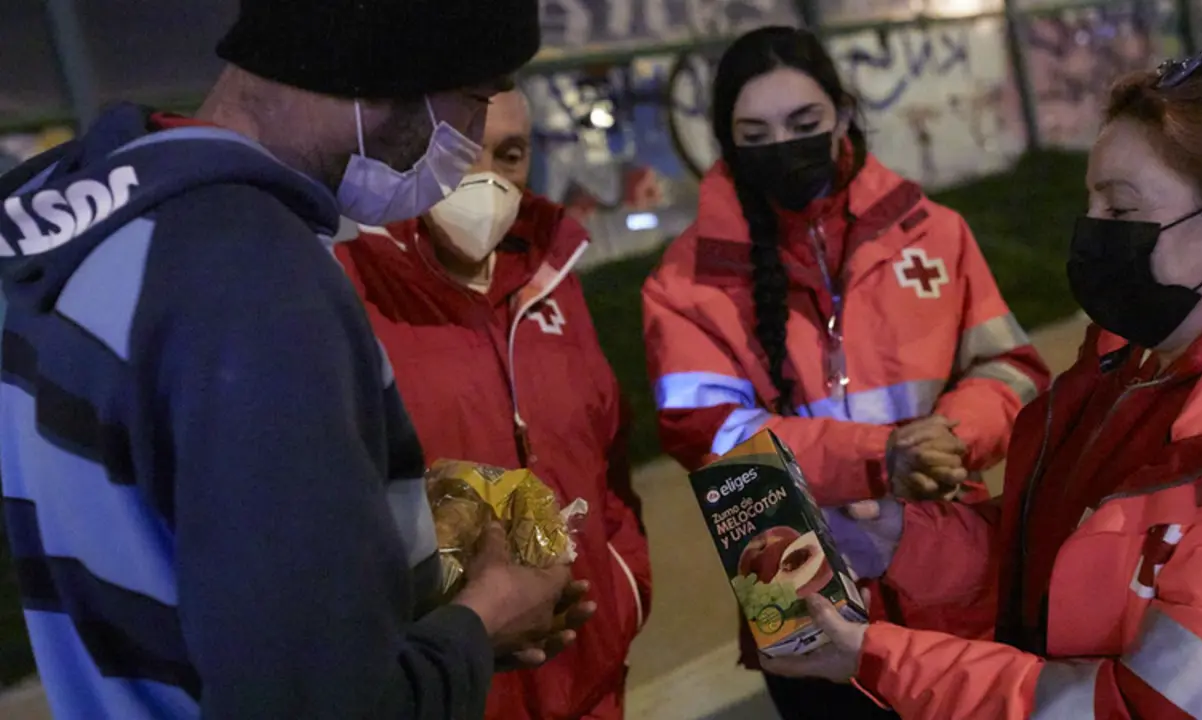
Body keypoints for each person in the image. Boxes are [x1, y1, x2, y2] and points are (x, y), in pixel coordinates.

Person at [0, 1, 591, 718]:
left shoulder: (80, 214)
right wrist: (484, 620)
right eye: (473, 99)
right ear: (380, 75)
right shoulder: (255, 283)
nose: (466, 145)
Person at [761, 52, 1202, 718]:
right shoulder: (1130, 364)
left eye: (1120, 207)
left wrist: (877, 658)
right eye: (1090, 200)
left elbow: (1130, 708)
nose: (1090, 231)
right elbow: (1056, 559)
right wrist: (906, 539)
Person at [641, 25, 1050, 720]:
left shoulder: (933, 231)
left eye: (804, 123)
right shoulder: (685, 284)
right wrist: (878, 459)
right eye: (756, 132)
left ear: (845, 114)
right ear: (727, 140)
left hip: (950, 573)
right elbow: (711, 436)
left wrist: (949, 438)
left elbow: (1010, 368)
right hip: (798, 602)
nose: (785, 146)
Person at [336, 88, 652, 720]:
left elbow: (608, 459)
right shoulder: (351, 288)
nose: (484, 178)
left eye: (510, 154)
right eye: (459, 149)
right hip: (456, 693)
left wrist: (624, 586)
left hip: (589, 684)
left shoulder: (551, 276)